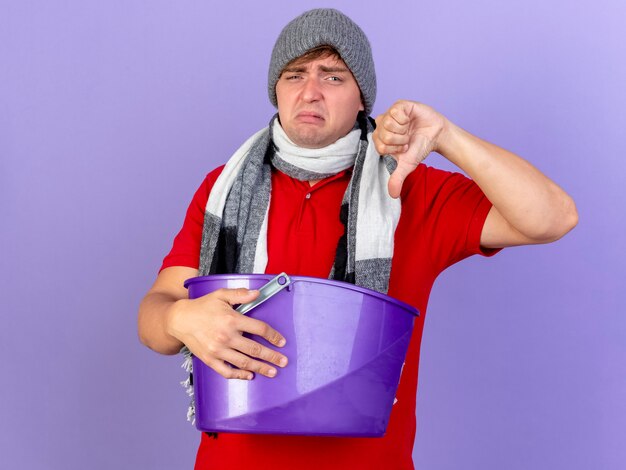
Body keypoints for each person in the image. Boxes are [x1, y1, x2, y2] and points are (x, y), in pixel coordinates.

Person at [138, 8, 577, 470]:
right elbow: (155, 313)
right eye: (295, 74)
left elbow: (553, 217)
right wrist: (180, 319)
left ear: (362, 98)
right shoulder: (223, 191)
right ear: (277, 90)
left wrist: (447, 136)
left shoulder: (410, 189)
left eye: (332, 76)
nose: (310, 91)